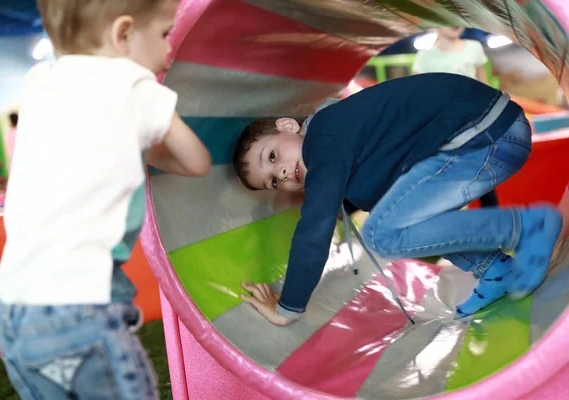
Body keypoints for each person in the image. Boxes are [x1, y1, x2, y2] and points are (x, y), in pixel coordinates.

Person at [0, 1, 211, 399]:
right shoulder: (136, 85)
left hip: (12, 313)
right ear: (122, 34)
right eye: (164, 34)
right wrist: (146, 139)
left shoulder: (40, 80)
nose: (168, 51)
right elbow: (196, 162)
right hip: (80, 310)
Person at [232, 73, 562, 326]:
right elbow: (373, 184)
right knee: (397, 214)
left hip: (486, 134)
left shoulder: (323, 140)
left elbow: (313, 229)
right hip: (492, 135)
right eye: (273, 181)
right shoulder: (340, 139)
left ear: (289, 126)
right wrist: (343, 205)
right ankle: (494, 270)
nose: (284, 174)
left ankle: (527, 227)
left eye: (273, 156)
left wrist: (287, 307)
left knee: (381, 233)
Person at [413, 27, 499, 207]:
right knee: (449, 180)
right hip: (443, 128)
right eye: (447, 19)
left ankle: (494, 223)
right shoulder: (425, 57)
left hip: (473, 123)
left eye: (457, 18)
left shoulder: (473, 47)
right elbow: (419, 97)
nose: (454, 24)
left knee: (484, 176)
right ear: (435, 22)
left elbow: (484, 85)